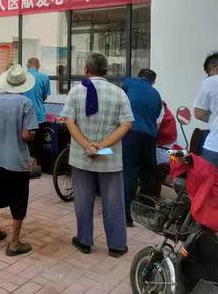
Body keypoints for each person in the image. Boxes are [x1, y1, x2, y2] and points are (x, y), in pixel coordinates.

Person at [61, 53, 133, 258]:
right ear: (106, 71)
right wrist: (101, 146)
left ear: (86, 69)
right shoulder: (119, 93)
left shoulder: (76, 91)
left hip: (81, 156)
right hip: (109, 156)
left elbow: (69, 121)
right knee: (113, 202)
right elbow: (126, 124)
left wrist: (87, 145)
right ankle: (117, 246)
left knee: (83, 202)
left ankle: (84, 241)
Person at [0, 65, 38, 256]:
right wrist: (32, 135)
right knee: (18, 200)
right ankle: (14, 243)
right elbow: (26, 135)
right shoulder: (25, 103)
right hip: (16, 160)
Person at [121, 69, 162, 226]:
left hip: (131, 133)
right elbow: (156, 115)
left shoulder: (129, 82)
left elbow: (119, 101)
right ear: (153, 81)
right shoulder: (156, 94)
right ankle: (147, 213)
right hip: (150, 137)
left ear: (139, 76)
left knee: (129, 172)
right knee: (148, 174)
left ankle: (126, 216)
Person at [193, 51, 218, 167]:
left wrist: (213, 119)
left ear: (214, 67)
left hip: (215, 147)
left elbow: (199, 113)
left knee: (209, 178)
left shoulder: (210, 82)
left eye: (209, 73)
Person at [23, 58, 51, 125]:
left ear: (27, 65)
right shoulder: (44, 77)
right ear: (39, 65)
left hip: (23, 114)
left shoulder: (21, 77)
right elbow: (44, 96)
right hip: (38, 115)